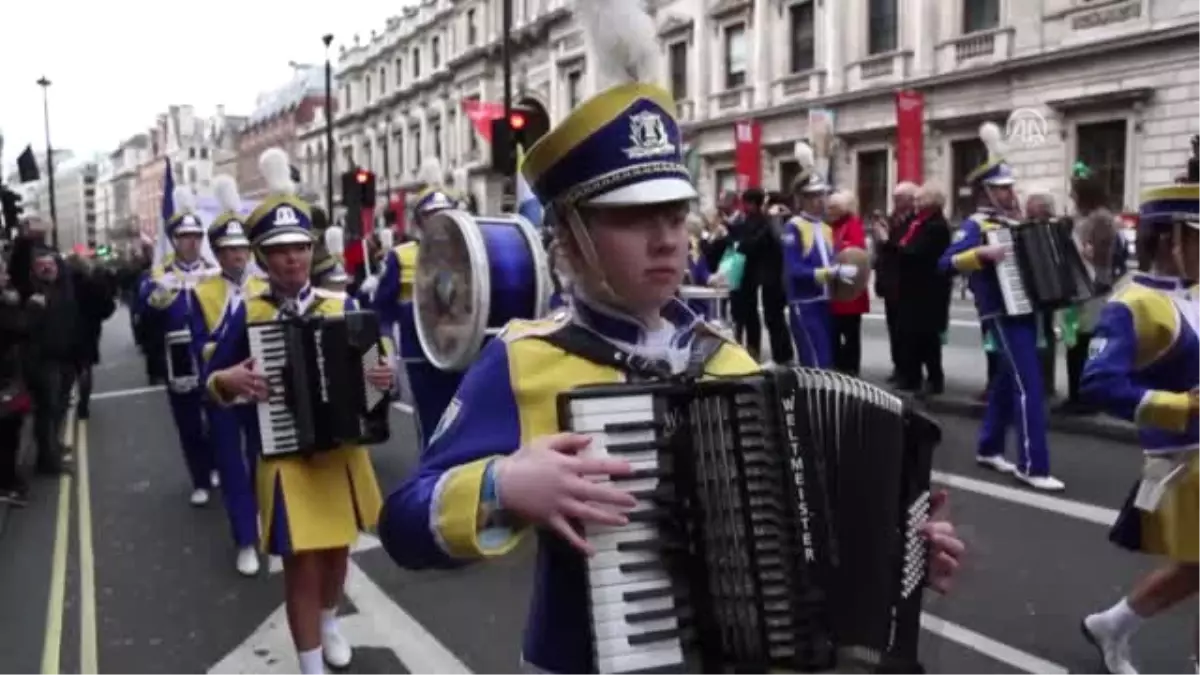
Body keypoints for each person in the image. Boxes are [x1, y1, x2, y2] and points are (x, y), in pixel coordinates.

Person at [376, 2, 964, 672]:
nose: (665, 238)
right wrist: (502, 485)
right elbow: (403, 522)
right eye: (633, 218)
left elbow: (805, 537)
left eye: (675, 213)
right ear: (570, 237)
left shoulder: (731, 359)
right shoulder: (524, 360)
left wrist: (894, 555)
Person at [204, 147, 393, 675]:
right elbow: (211, 380)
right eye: (280, 250)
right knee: (300, 565)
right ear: (262, 258)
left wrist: (384, 380)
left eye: (301, 248)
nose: (293, 258)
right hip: (283, 457)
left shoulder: (343, 307)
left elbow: (380, 377)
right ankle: (310, 663)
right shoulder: (250, 312)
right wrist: (229, 380)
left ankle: (330, 623)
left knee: (337, 553)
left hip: (341, 454)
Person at [1080, 181, 1200, 675]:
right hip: (1185, 459)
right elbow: (1098, 383)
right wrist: (1181, 406)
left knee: (1195, 569)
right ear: (1173, 239)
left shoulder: (1192, 291)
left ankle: (1113, 624)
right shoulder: (1131, 303)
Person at [938, 122, 1065, 491]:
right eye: (1003, 189)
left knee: (1009, 383)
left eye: (1011, 187)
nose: (1011, 194)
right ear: (987, 192)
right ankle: (1032, 464)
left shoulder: (1018, 223)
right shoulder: (976, 225)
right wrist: (981, 254)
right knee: (1031, 386)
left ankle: (989, 447)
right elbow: (945, 263)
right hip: (1002, 311)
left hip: (1027, 310)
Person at [189, 174, 266, 576]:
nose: (238, 257)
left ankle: (263, 523)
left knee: (262, 461)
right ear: (217, 254)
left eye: (242, 249)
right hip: (224, 389)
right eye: (229, 250)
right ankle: (244, 539)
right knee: (232, 466)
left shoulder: (264, 285)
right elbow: (200, 349)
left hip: (259, 386)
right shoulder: (202, 293)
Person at [373, 157, 465, 448]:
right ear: (420, 221)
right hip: (420, 354)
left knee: (463, 424)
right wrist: (388, 354)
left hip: (462, 352)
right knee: (431, 426)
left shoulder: (469, 255)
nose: (438, 221)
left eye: (444, 213)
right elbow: (382, 313)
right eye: (431, 215)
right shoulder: (400, 256)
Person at [140, 186, 221, 505]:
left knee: (218, 418)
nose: (192, 242)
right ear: (174, 240)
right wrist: (154, 301)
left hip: (212, 354)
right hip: (179, 358)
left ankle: (215, 464)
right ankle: (199, 479)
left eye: (197, 236)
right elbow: (144, 322)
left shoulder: (215, 274)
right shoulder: (159, 277)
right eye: (185, 236)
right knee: (189, 425)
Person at [782, 141, 855, 368]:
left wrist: (844, 273)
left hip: (825, 303)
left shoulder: (825, 228)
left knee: (827, 363)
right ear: (801, 199)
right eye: (813, 196)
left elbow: (830, 262)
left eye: (822, 195)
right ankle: (809, 404)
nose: (820, 200)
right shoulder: (793, 227)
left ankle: (822, 404)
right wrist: (831, 273)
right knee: (814, 363)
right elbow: (794, 270)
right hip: (805, 303)